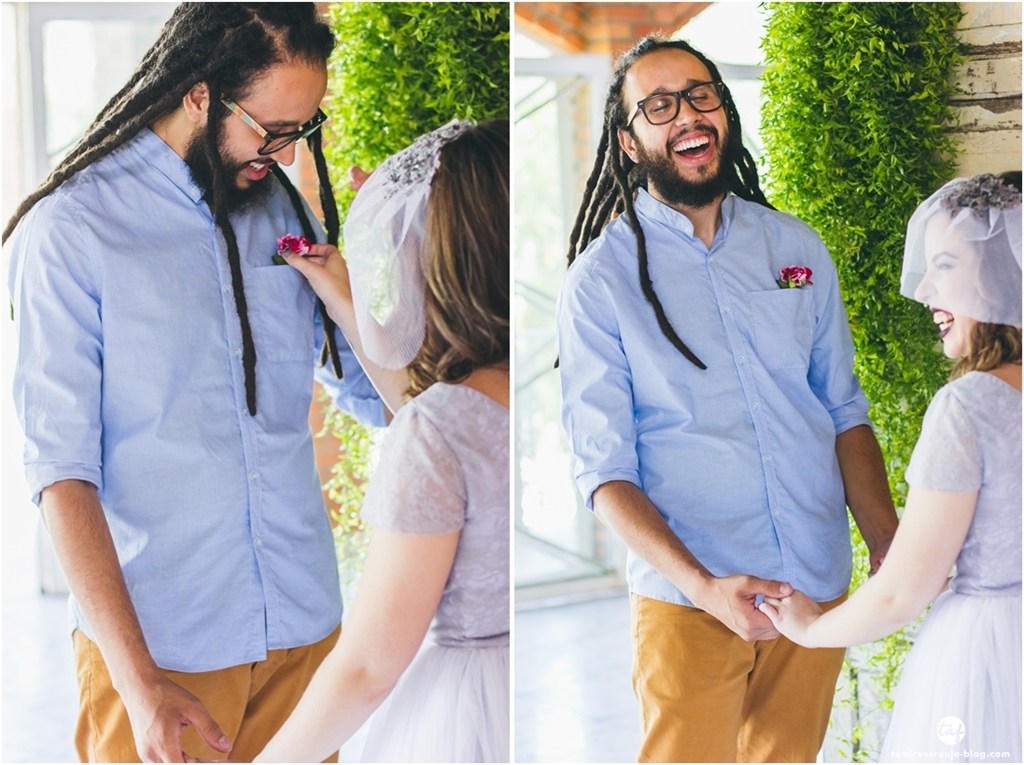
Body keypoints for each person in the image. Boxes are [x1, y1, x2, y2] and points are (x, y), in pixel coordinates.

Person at [5, 4, 384, 762]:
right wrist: (136, 677)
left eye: (300, 131)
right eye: (270, 129)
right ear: (201, 92)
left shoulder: (280, 209)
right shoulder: (73, 230)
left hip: (304, 634)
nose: (281, 153)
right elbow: (61, 473)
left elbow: (376, 398)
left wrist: (372, 280)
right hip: (163, 655)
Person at [556, 36, 900, 762]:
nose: (687, 114)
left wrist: (889, 546)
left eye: (700, 94)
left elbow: (843, 410)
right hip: (690, 599)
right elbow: (603, 472)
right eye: (659, 105)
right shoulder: (600, 282)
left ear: (724, 109)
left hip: (813, 584)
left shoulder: (796, 250)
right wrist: (706, 587)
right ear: (628, 140)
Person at [245, 119, 510, 763]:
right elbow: (443, 428)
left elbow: (366, 667)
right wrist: (343, 299)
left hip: (462, 716)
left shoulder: (440, 427)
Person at [760, 172, 1022, 763]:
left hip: (990, 658)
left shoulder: (969, 406)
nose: (925, 289)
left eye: (947, 266)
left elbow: (903, 592)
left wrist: (806, 629)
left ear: (1001, 268)